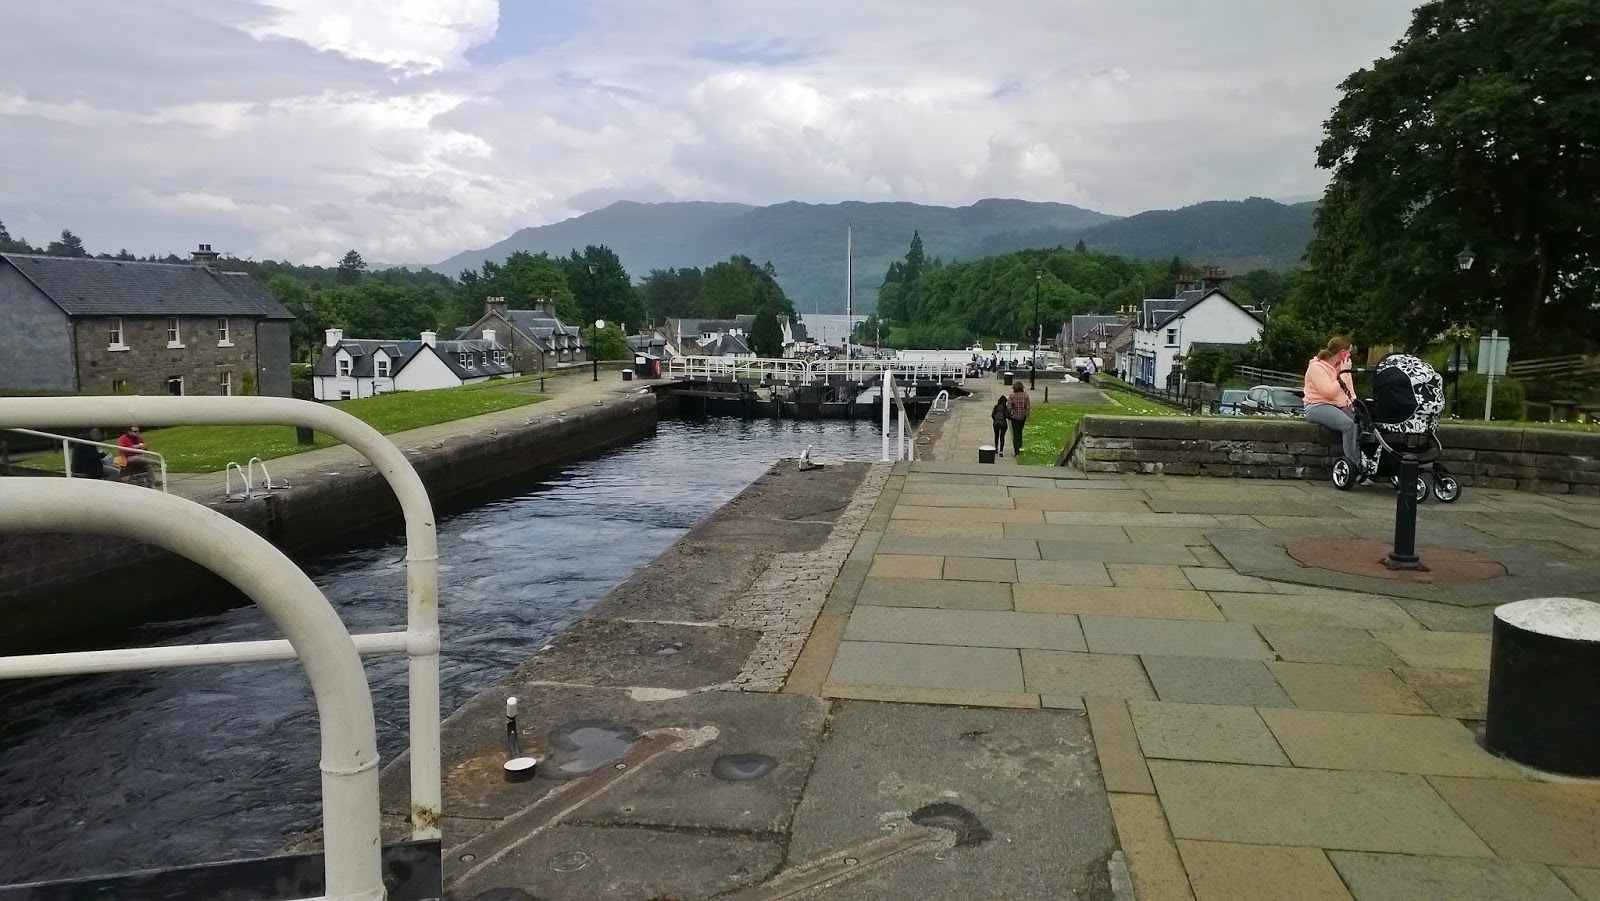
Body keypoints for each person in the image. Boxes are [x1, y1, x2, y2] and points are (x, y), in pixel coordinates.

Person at [1303, 336, 1366, 476]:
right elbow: (1329, 392)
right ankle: (1353, 467)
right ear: (1342, 352)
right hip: (1316, 405)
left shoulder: (1342, 367)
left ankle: (1366, 463)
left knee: (1362, 423)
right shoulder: (1316, 367)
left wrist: (1354, 405)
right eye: (1348, 352)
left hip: (1338, 404)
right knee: (1348, 425)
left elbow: (1349, 390)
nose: (1349, 356)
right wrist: (1344, 373)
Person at [1006, 381, 1031, 455]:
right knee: (1020, 432)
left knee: (1015, 433)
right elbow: (1028, 406)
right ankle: (1020, 446)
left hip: (1014, 417)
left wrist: (1009, 414)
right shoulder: (1026, 395)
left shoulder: (1012, 396)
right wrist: (1026, 415)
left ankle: (1016, 449)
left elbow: (1009, 407)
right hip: (1022, 417)